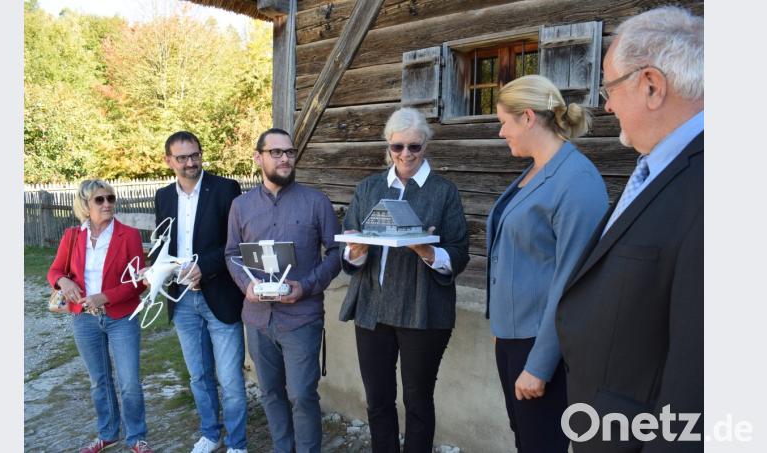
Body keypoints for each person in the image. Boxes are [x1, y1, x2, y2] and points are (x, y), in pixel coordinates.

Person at [555, 6, 703, 452]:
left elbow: (700, 376)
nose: (606, 104)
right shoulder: (658, 167)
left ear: (652, 86)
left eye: (610, 87)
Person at [485, 75, 608, 452]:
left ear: (527, 117)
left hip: (544, 346)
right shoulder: (536, 169)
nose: (501, 132)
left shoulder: (576, 180)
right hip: (513, 338)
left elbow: (572, 283)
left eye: (504, 122)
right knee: (526, 439)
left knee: (542, 444)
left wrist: (539, 364)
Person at [338, 107, 470, 453]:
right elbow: (350, 254)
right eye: (398, 147)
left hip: (421, 310)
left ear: (426, 145)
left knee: (418, 401)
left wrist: (427, 252)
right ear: (388, 146)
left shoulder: (444, 192)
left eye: (415, 146)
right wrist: (355, 250)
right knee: (378, 400)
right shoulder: (369, 188)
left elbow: (459, 253)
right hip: (373, 308)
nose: (406, 154)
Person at [224, 128, 341, 453]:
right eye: (276, 152)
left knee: (302, 395)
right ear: (258, 157)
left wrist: (305, 287)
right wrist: (247, 286)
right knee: (271, 393)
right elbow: (231, 254)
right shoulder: (241, 206)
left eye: (289, 152)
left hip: (301, 318)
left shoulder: (316, 202)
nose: (285, 158)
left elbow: (337, 253)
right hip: (258, 319)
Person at [154, 131, 248, 453]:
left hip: (220, 294)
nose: (191, 162)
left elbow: (235, 244)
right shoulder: (163, 196)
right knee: (198, 376)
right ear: (169, 161)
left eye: (195, 155)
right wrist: (157, 269)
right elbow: (162, 244)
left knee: (231, 380)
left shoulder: (226, 189)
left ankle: (237, 443)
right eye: (182, 158)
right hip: (180, 300)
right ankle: (210, 433)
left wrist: (204, 268)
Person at [47, 179, 155, 453]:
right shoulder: (72, 236)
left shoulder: (128, 235)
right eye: (99, 200)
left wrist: (105, 296)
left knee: (129, 381)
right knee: (99, 380)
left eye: (110, 198)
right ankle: (108, 434)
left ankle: (136, 438)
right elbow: (55, 270)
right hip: (84, 320)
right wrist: (63, 282)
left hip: (121, 317)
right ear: (85, 205)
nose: (107, 204)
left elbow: (139, 281)